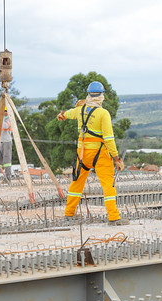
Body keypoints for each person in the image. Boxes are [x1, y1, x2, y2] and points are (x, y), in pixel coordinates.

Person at [57, 81, 129, 226]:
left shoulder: (80, 110)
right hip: (100, 154)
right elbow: (109, 139)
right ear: (102, 95)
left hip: (82, 154)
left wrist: (63, 115)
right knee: (108, 185)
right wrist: (116, 158)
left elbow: (69, 113)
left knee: (76, 183)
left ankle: (69, 214)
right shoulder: (103, 114)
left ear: (89, 94)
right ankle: (114, 217)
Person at [0, 108, 13, 182]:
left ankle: (7, 177)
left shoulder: (9, 120)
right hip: (0, 142)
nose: (5, 112)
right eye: (4, 111)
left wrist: (0, 119)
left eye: (6, 111)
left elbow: (5, 126)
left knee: (6, 161)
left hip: (7, 142)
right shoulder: (1, 120)